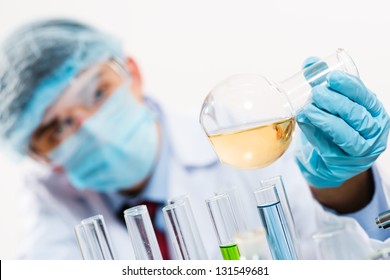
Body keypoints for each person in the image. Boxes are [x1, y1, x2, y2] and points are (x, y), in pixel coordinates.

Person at [0, 19, 389, 260]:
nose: (89, 127)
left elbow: (356, 247)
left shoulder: (246, 132)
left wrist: (344, 183)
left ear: (131, 73)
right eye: (57, 128)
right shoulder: (52, 207)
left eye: (96, 93)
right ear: (38, 155)